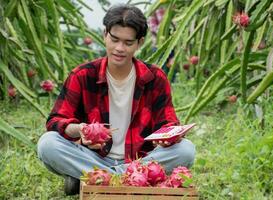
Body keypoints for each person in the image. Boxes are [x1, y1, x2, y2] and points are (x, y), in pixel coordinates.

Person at [37, 4, 195, 195]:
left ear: (140, 42)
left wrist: (167, 137)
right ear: (105, 34)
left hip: (139, 160)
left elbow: (168, 123)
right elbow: (55, 121)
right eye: (114, 39)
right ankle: (129, 182)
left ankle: (96, 180)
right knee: (47, 144)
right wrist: (78, 129)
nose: (119, 48)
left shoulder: (155, 77)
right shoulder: (82, 75)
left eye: (128, 43)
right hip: (94, 157)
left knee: (186, 150)